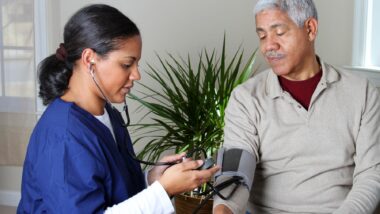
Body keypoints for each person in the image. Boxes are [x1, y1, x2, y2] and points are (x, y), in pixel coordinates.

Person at [17, 4, 219, 213]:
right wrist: (162, 190)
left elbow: (112, 190)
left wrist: (152, 180)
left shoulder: (107, 114)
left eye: (137, 64)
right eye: (127, 64)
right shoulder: (64, 137)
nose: (136, 75)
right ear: (89, 59)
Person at [213, 0, 380, 213]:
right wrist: (223, 209)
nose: (268, 46)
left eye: (279, 32)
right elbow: (235, 173)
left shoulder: (361, 92)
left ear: (310, 29)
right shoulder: (246, 98)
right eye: (262, 35)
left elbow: (372, 174)